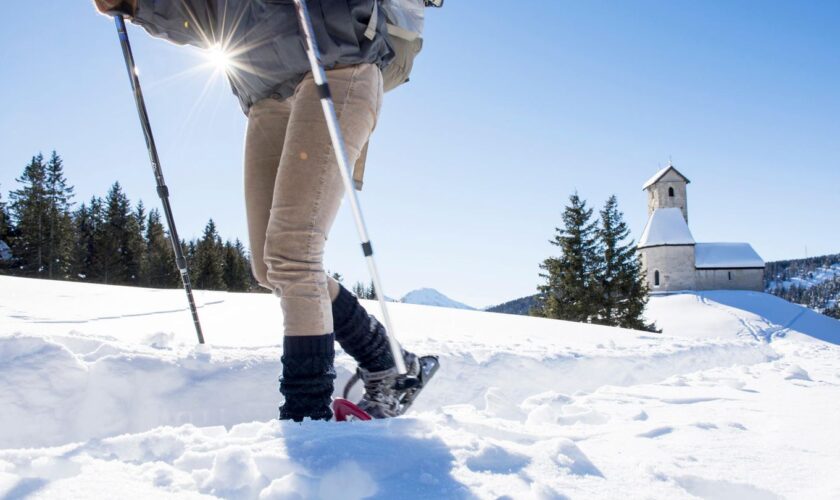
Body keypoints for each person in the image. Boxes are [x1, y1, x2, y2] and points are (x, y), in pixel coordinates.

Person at [93, 0, 420, 421]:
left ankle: (306, 422)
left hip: (338, 64)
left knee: (293, 255)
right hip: (265, 93)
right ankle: (389, 362)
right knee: (270, 268)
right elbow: (210, 17)